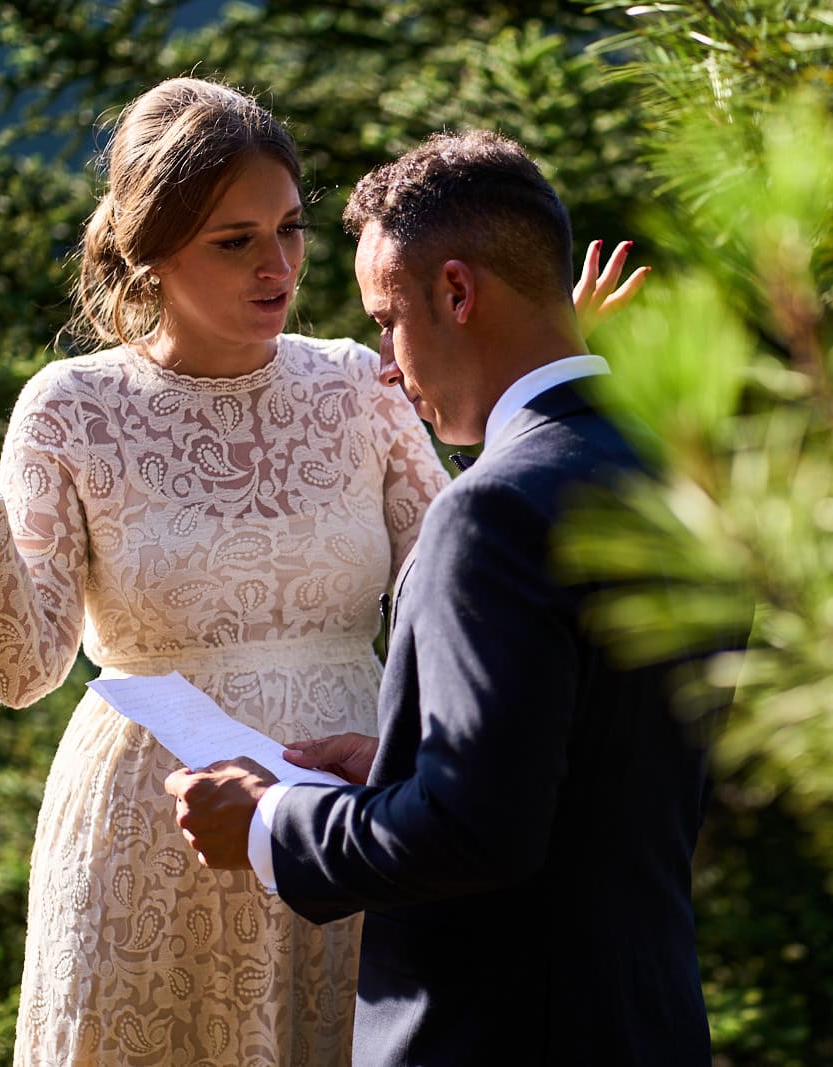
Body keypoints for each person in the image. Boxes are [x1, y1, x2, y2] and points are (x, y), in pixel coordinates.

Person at [0, 79, 644, 1066]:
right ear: (152, 249)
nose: (278, 266)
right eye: (235, 240)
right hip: (151, 839)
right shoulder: (71, 407)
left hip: (348, 821)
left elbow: (469, 567)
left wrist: (541, 377)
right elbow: (19, 667)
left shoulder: (356, 381)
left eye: (292, 230)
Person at [166, 129, 717, 1066]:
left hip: (493, 1035)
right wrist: (400, 761)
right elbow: (604, 773)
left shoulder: (490, 512)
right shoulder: (677, 474)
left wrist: (267, 820)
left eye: (387, 319)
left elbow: (475, 837)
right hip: (647, 1024)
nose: (385, 360)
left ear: (457, 293)